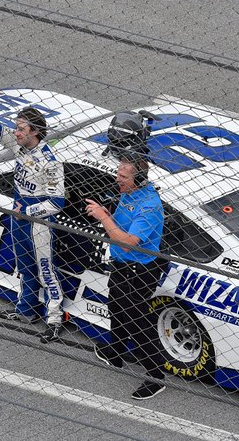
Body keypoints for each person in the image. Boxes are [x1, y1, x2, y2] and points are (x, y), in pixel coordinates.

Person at [0, 86, 66, 344]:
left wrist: (28, 211)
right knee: (25, 266)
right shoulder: (19, 147)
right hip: (19, 214)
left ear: (35, 132)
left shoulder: (50, 161)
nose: (15, 132)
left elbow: (57, 201)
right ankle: (26, 310)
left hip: (39, 221)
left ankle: (54, 319)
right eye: (15, 127)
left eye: (21, 129)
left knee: (46, 270)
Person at [84, 155, 167, 400]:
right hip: (122, 265)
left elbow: (130, 243)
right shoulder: (130, 192)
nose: (117, 179)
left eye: (123, 177)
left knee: (137, 323)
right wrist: (111, 214)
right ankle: (116, 352)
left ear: (138, 179)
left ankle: (156, 377)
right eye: (118, 174)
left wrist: (104, 218)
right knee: (116, 307)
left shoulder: (149, 206)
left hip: (139, 270)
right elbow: (125, 222)